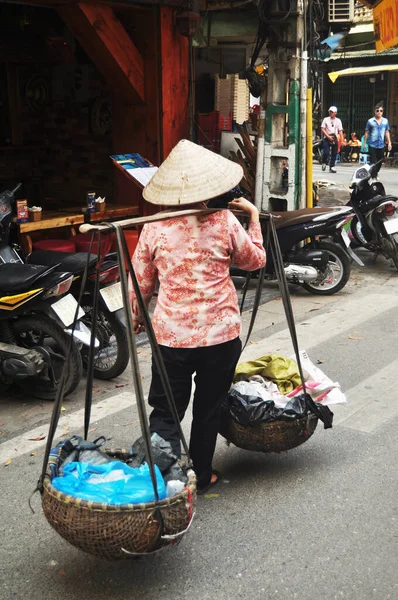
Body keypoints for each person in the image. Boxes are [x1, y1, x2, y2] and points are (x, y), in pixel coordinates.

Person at [130, 139, 266, 493]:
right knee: (208, 408)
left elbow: (140, 283)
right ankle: (201, 477)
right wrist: (253, 216)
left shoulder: (154, 227)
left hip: (171, 337)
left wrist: (137, 317)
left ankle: (165, 486)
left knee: (166, 411)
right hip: (219, 336)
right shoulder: (224, 221)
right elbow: (255, 262)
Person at [364, 103, 392, 176]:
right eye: (377, 111)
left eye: (381, 111)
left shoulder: (385, 121)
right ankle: (373, 176)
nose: (379, 112)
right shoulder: (370, 121)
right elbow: (366, 132)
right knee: (373, 161)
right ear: (374, 111)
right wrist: (364, 143)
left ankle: (374, 173)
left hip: (381, 145)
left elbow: (387, 132)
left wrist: (389, 143)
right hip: (372, 144)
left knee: (380, 161)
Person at [321, 105, 343, 173]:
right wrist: (328, 136)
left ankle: (332, 166)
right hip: (327, 137)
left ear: (335, 113)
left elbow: (340, 131)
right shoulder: (326, 119)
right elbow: (323, 128)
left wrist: (341, 140)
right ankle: (324, 162)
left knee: (334, 152)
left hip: (335, 137)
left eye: (332, 112)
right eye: (330, 112)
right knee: (326, 152)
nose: (331, 113)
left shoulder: (338, 121)